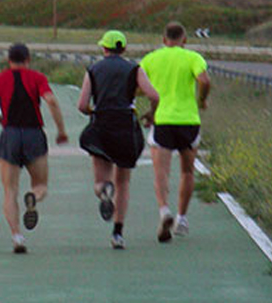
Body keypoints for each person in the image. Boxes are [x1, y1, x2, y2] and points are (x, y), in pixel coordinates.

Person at [0, 43, 68, 253]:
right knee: (41, 185)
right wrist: (61, 130)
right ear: (28, 59)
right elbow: (51, 101)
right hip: (33, 134)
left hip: (10, 134)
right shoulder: (37, 78)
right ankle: (33, 197)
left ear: (8, 60)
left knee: (10, 190)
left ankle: (17, 237)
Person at [77, 30, 159, 250]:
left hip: (101, 125)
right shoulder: (134, 69)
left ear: (104, 48)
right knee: (123, 182)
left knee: (100, 179)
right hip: (125, 125)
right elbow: (154, 95)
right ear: (123, 49)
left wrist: (93, 112)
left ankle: (104, 190)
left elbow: (82, 105)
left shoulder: (93, 70)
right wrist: (151, 114)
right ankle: (118, 233)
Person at [140, 22, 211, 243]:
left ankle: (164, 211)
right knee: (187, 171)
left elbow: (138, 85)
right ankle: (181, 218)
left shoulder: (151, 59)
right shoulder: (193, 57)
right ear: (185, 40)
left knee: (161, 172)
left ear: (164, 39)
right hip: (188, 120)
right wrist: (201, 100)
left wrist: (149, 104)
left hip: (162, 120)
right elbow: (204, 80)